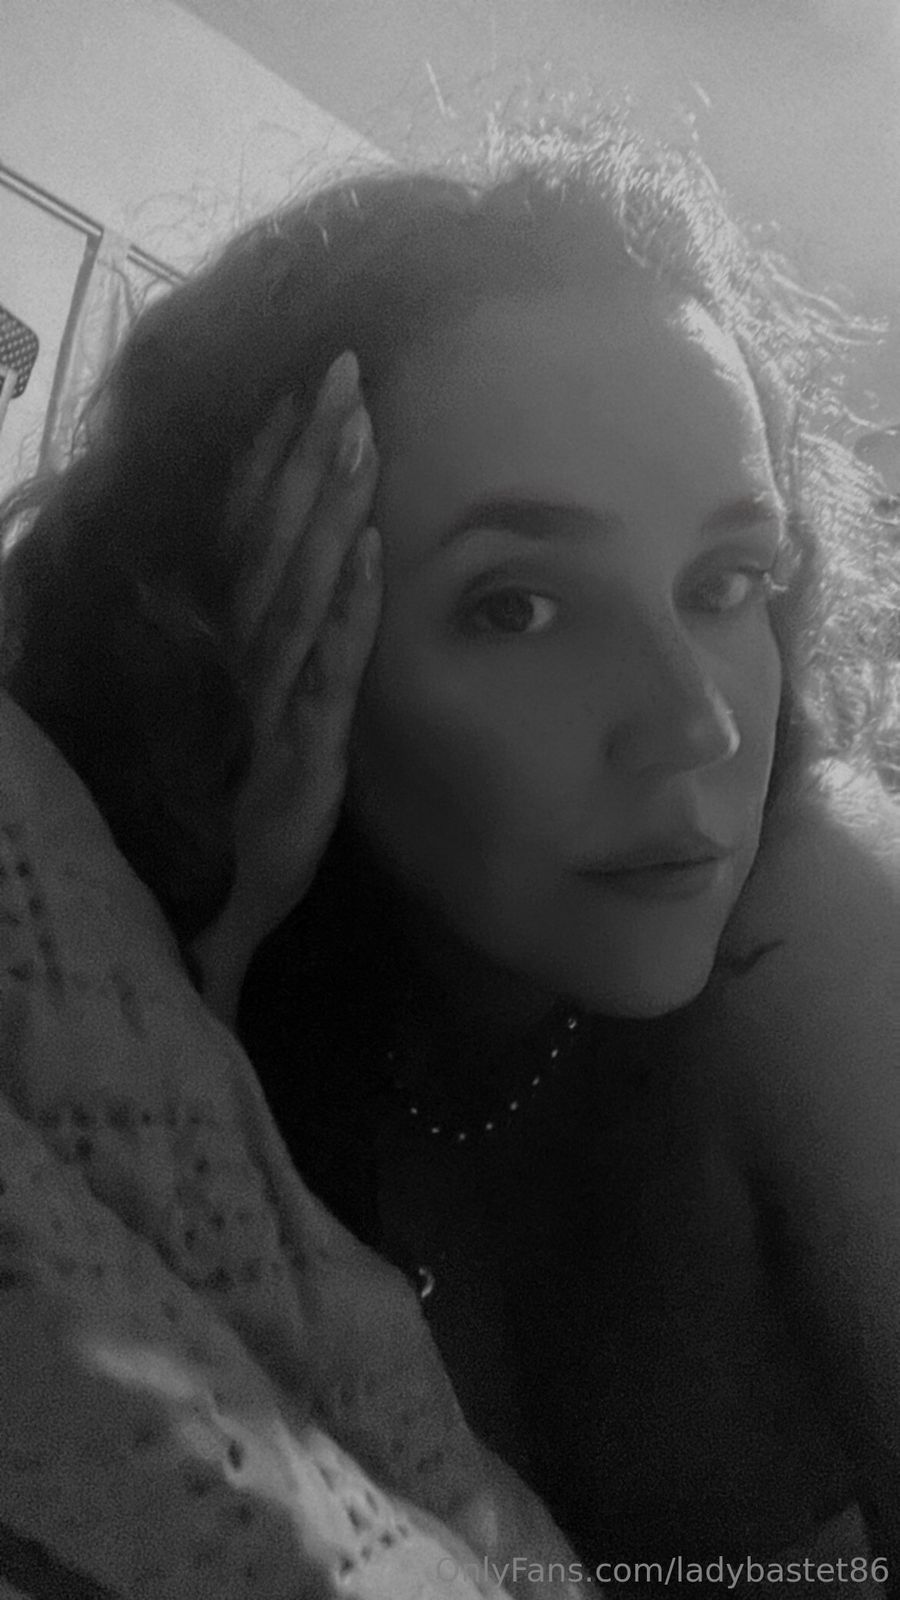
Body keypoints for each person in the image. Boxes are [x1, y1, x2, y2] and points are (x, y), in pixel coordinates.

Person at [2, 109, 900, 1596]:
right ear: (250, 634)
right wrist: (213, 958)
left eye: (729, 581)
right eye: (517, 606)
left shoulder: (824, 924)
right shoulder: (186, 984)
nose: (696, 724)